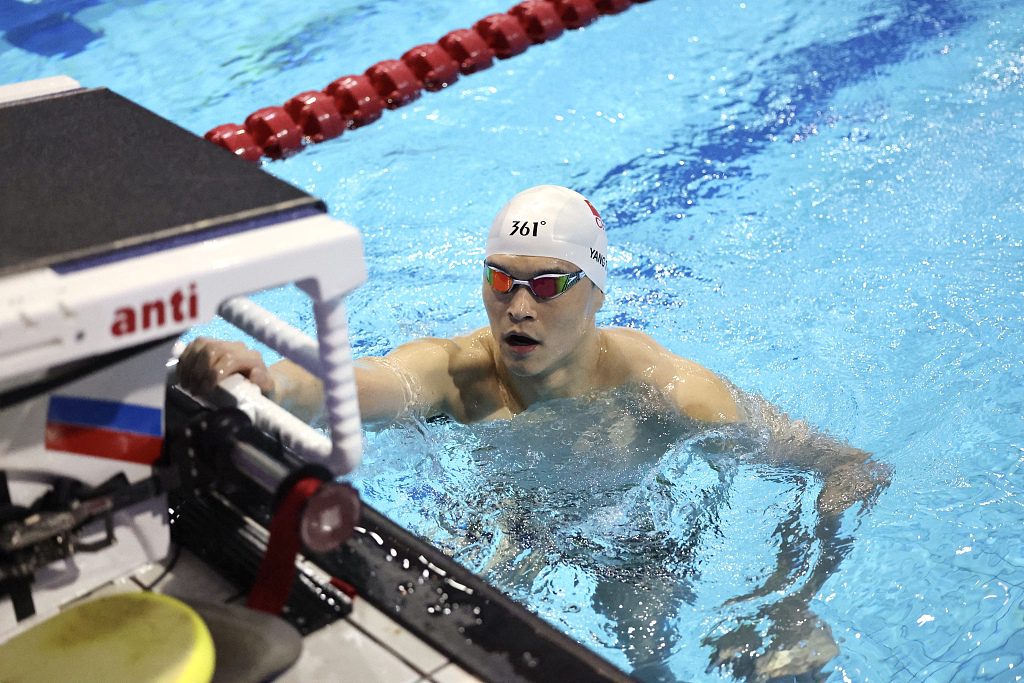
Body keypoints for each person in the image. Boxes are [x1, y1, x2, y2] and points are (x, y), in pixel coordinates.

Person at [177, 184, 888, 680]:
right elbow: (364, 384)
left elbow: (850, 466)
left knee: (649, 656)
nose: (518, 306)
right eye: (500, 279)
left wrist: (790, 600)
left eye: (548, 284)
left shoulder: (670, 392)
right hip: (506, 522)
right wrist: (267, 380)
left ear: (597, 290)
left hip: (635, 543)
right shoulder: (460, 373)